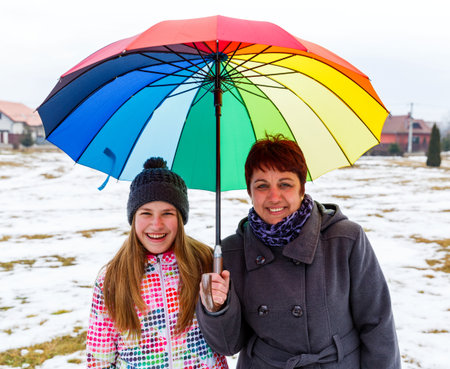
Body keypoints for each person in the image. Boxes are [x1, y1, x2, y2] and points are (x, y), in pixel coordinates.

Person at [197, 134, 401, 369]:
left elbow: (377, 324)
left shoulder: (345, 239)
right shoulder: (232, 251)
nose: (274, 197)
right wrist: (217, 308)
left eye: (285, 184)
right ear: (250, 192)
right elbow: (228, 345)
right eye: (262, 185)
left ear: (302, 188)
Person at [86, 157, 228, 369]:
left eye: (167, 213)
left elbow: (227, 338)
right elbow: (99, 358)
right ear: (133, 218)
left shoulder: (205, 262)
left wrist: (221, 307)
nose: (156, 224)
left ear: (180, 218)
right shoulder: (112, 278)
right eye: (146, 213)